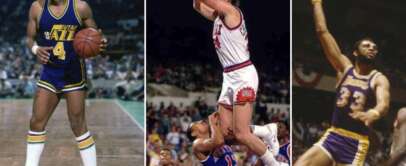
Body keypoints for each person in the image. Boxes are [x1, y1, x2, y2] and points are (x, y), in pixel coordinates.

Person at [295, 0, 390, 165]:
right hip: (334, 134)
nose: (372, 48)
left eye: (374, 47)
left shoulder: (379, 78)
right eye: (367, 46)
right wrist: (317, 4)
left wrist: (373, 113)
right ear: (355, 52)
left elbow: (384, 104)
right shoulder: (344, 68)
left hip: (356, 142)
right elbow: (322, 32)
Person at [193, 0, 276, 164]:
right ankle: (265, 131)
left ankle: (274, 163)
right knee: (226, 134)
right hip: (229, 76)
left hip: (243, 74)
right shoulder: (218, 16)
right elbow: (196, 5)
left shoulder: (231, 12)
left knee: (241, 134)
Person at [25, 0, 106, 166]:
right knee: (36, 122)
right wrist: (35, 49)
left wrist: (100, 44)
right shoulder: (37, 8)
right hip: (50, 71)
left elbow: (96, 36)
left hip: (73, 72)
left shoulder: (80, 7)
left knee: (78, 125)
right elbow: (29, 38)